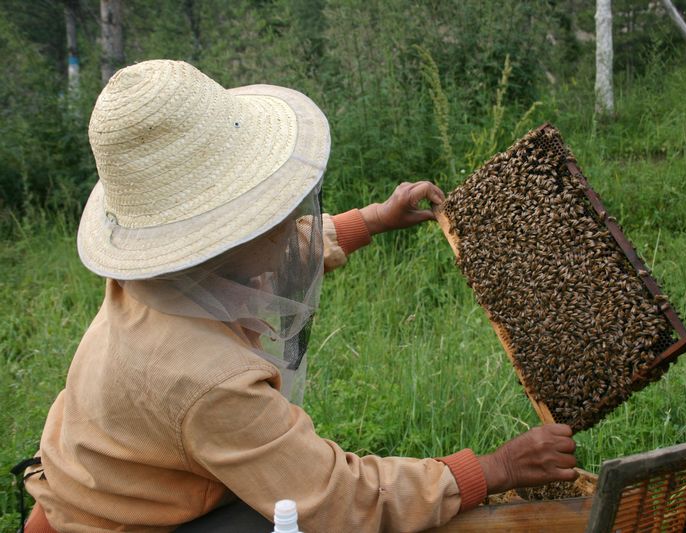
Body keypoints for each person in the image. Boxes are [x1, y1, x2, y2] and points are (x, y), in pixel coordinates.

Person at [22, 60, 578, 533]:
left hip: (97, 486)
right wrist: (493, 468)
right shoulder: (208, 383)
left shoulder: (156, 279)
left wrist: (369, 221)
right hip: (124, 524)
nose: (290, 219)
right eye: (272, 209)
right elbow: (337, 498)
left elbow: (254, 257)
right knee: (287, 518)